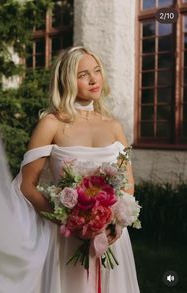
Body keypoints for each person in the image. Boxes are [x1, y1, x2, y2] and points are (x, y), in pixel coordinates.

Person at [13, 46, 140, 293]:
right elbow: (26, 186)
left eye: (97, 71)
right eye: (83, 74)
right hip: (65, 238)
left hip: (112, 237)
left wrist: (116, 223)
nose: (94, 79)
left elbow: (128, 183)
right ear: (67, 80)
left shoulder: (115, 126)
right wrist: (71, 222)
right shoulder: (50, 124)